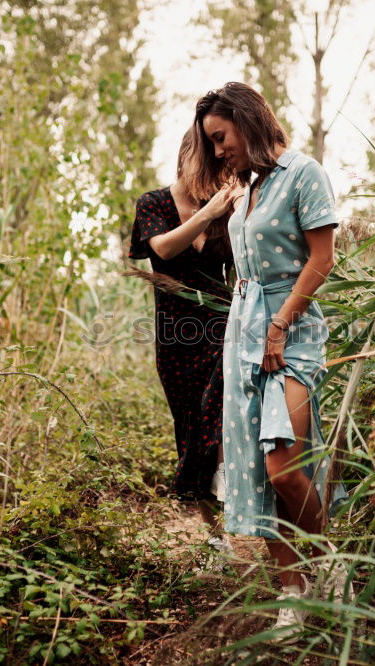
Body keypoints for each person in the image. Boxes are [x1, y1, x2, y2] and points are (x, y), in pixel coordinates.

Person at [193, 82, 350, 636]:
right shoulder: (248, 185)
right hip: (246, 333)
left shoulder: (304, 173)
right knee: (262, 471)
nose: (217, 151)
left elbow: (322, 258)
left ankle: (329, 562)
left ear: (246, 119)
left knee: (285, 468)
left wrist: (280, 325)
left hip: (293, 331)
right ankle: (293, 592)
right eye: (210, 143)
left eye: (220, 137)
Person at [128, 128, 241, 557]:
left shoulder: (227, 210)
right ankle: (218, 544)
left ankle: (243, 494)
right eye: (207, 162)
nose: (213, 171)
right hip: (175, 338)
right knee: (191, 435)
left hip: (223, 329)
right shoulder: (153, 203)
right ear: (186, 157)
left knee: (222, 415)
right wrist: (210, 211)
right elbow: (164, 249)